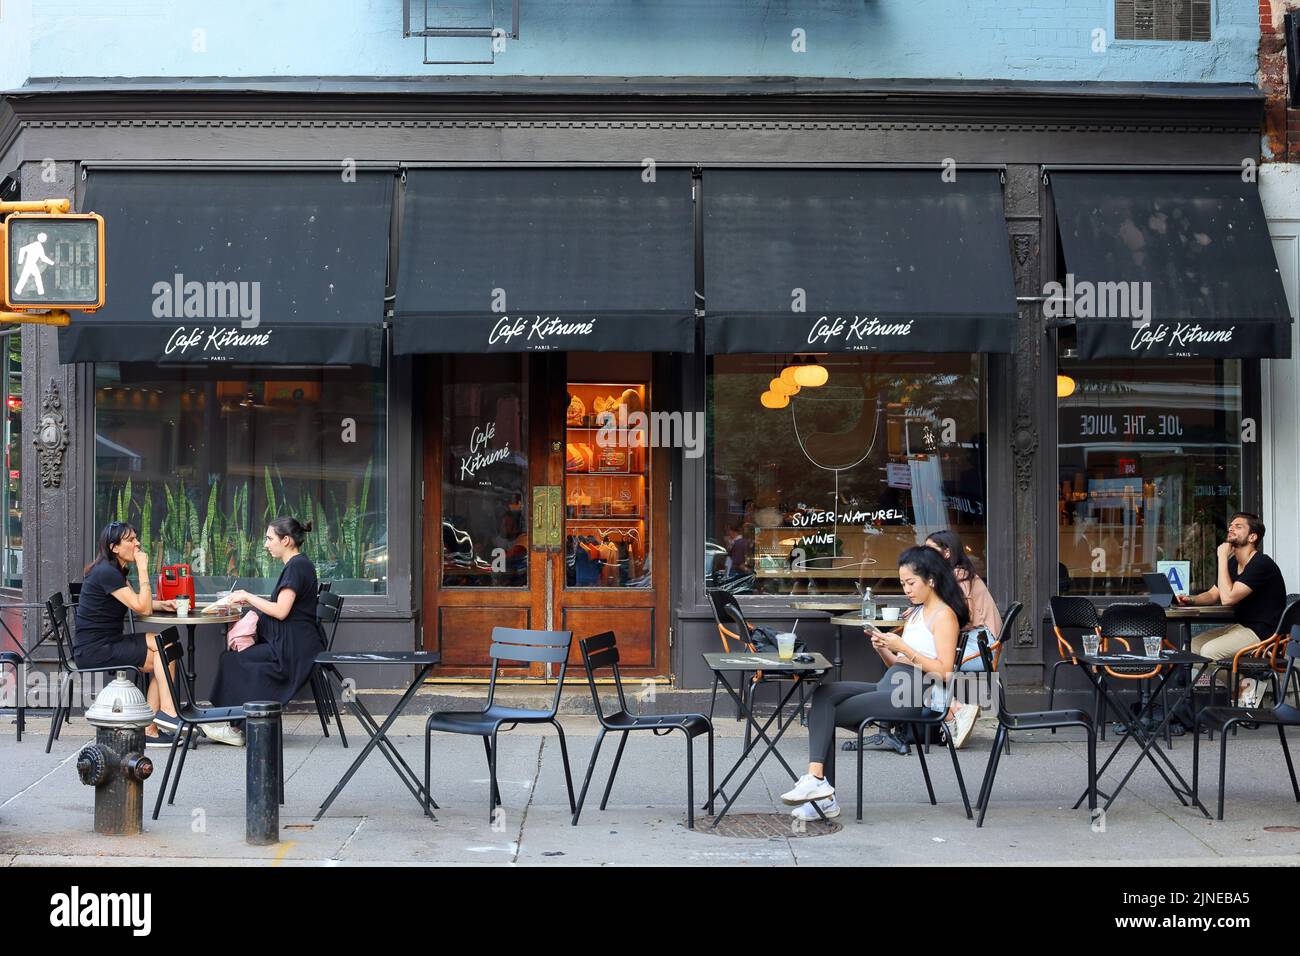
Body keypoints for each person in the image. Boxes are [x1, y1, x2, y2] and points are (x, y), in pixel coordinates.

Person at [780, 546, 968, 820]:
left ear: (931, 579)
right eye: (902, 583)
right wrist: (884, 648)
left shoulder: (944, 616)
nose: (906, 589)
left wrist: (903, 646)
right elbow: (897, 665)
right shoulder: (915, 613)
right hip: (891, 685)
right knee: (824, 693)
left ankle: (821, 791)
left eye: (911, 582)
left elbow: (945, 672)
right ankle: (818, 783)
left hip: (913, 695)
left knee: (825, 715)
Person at [202, 517, 325, 746]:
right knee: (233, 660)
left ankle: (238, 727)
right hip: (294, 643)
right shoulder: (299, 565)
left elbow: (281, 611)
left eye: (269, 539)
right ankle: (238, 725)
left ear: (286, 540)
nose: (266, 544)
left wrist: (247, 596)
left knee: (234, 662)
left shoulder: (297, 567)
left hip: (293, 651)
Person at [73, 521, 180, 747]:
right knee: (164, 647)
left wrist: (163, 604)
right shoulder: (106, 573)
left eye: (136, 538)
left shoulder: (113, 570)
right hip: (97, 649)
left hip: (108, 642)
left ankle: (151, 725)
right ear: (114, 547)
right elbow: (142, 608)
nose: (137, 543)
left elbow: (139, 603)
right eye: (131, 540)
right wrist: (143, 569)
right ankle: (167, 714)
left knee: (166, 649)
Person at [1177, 512, 1287, 708]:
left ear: (1253, 537)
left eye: (1238, 526)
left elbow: (1227, 599)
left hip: (1264, 634)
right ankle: (1246, 687)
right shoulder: (1233, 563)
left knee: (1210, 651)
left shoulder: (1261, 563)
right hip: (1241, 627)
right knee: (1191, 648)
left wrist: (1220, 556)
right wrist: (1190, 599)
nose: (1231, 528)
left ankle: (1245, 689)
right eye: (1231, 525)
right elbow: (1213, 594)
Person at [925, 529, 1000, 749]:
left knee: (929, 661)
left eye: (931, 550)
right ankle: (953, 713)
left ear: (946, 552)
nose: (926, 555)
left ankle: (954, 712)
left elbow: (963, 615)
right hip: (977, 642)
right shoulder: (956, 574)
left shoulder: (958, 575)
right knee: (927, 659)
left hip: (983, 647)